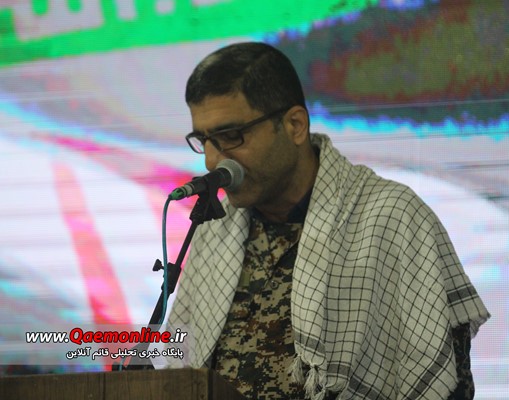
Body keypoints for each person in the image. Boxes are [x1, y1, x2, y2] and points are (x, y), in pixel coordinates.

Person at [166, 41, 490, 400]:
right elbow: (180, 364)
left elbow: (448, 385)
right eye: (204, 140)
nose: (213, 161)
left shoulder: (391, 217)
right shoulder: (214, 228)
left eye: (231, 137)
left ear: (294, 125)